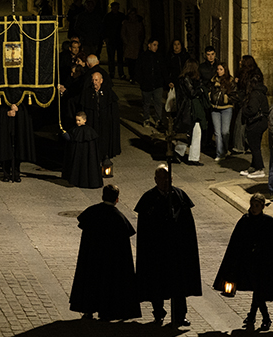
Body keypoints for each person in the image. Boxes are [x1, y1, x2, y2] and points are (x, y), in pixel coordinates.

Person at [134, 165, 201, 326]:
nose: (165, 182)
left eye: (168, 179)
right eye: (161, 179)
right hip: (157, 251)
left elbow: (187, 225)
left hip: (176, 250)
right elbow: (145, 227)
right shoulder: (149, 198)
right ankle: (158, 312)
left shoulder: (179, 196)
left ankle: (180, 315)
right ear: (155, 180)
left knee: (179, 283)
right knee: (156, 283)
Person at [212, 194, 273, 331]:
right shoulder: (244, 221)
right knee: (257, 289)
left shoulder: (268, 222)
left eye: (257, 206)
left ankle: (261, 317)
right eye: (252, 205)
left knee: (258, 290)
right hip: (248, 264)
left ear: (262, 207)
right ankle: (258, 317)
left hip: (263, 265)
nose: (254, 209)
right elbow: (236, 244)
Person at [69, 184, 141, 321]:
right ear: (117, 199)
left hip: (92, 258)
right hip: (110, 261)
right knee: (108, 284)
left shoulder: (92, 212)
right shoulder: (119, 218)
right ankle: (106, 311)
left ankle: (88, 310)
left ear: (102, 196)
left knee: (90, 282)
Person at [0, 102, 36, 183]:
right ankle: (6, 173)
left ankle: (16, 173)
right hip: (4, 115)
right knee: (5, 145)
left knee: (18, 145)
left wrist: (18, 109)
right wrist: (6, 113)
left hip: (18, 118)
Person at [62, 112, 102, 189]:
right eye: (76, 120)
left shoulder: (88, 131)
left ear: (85, 120)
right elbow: (72, 139)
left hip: (86, 155)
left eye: (79, 120)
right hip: (80, 155)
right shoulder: (75, 129)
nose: (77, 122)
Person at [207, 62, 235, 161]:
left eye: (221, 69)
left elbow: (234, 94)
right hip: (215, 108)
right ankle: (219, 153)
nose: (219, 71)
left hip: (226, 108)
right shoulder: (213, 80)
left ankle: (226, 149)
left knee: (225, 131)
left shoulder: (230, 81)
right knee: (217, 132)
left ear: (225, 70)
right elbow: (209, 90)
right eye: (218, 69)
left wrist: (227, 98)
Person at [137, 39, 166, 128]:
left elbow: (163, 69)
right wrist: (141, 81)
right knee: (146, 102)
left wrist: (164, 81)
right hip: (146, 84)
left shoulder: (159, 56)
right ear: (149, 45)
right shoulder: (143, 56)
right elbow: (138, 69)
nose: (156, 47)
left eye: (157, 45)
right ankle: (146, 119)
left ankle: (158, 120)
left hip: (157, 84)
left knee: (158, 102)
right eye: (154, 45)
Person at [102, 2, 126, 79]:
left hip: (119, 39)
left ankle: (121, 73)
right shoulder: (108, 17)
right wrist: (105, 37)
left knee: (120, 58)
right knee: (111, 57)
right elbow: (104, 28)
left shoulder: (121, 16)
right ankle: (111, 72)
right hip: (111, 39)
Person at [120, 9, 145, 82]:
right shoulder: (126, 23)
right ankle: (132, 76)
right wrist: (126, 42)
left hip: (136, 45)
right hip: (129, 45)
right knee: (130, 62)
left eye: (134, 14)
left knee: (137, 62)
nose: (132, 16)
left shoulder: (139, 23)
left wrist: (140, 42)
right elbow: (123, 33)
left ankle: (136, 76)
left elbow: (142, 34)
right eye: (131, 14)